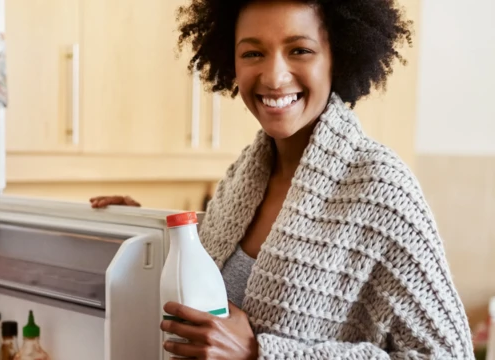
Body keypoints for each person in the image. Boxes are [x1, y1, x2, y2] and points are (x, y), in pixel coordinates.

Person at [91, 0, 474, 358]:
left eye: (300, 50)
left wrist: (262, 353)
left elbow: (447, 355)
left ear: (336, 58)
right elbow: (210, 289)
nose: (274, 77)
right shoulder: (244, 175)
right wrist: (142, 231)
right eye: (253, 53)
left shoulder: (381, 188)